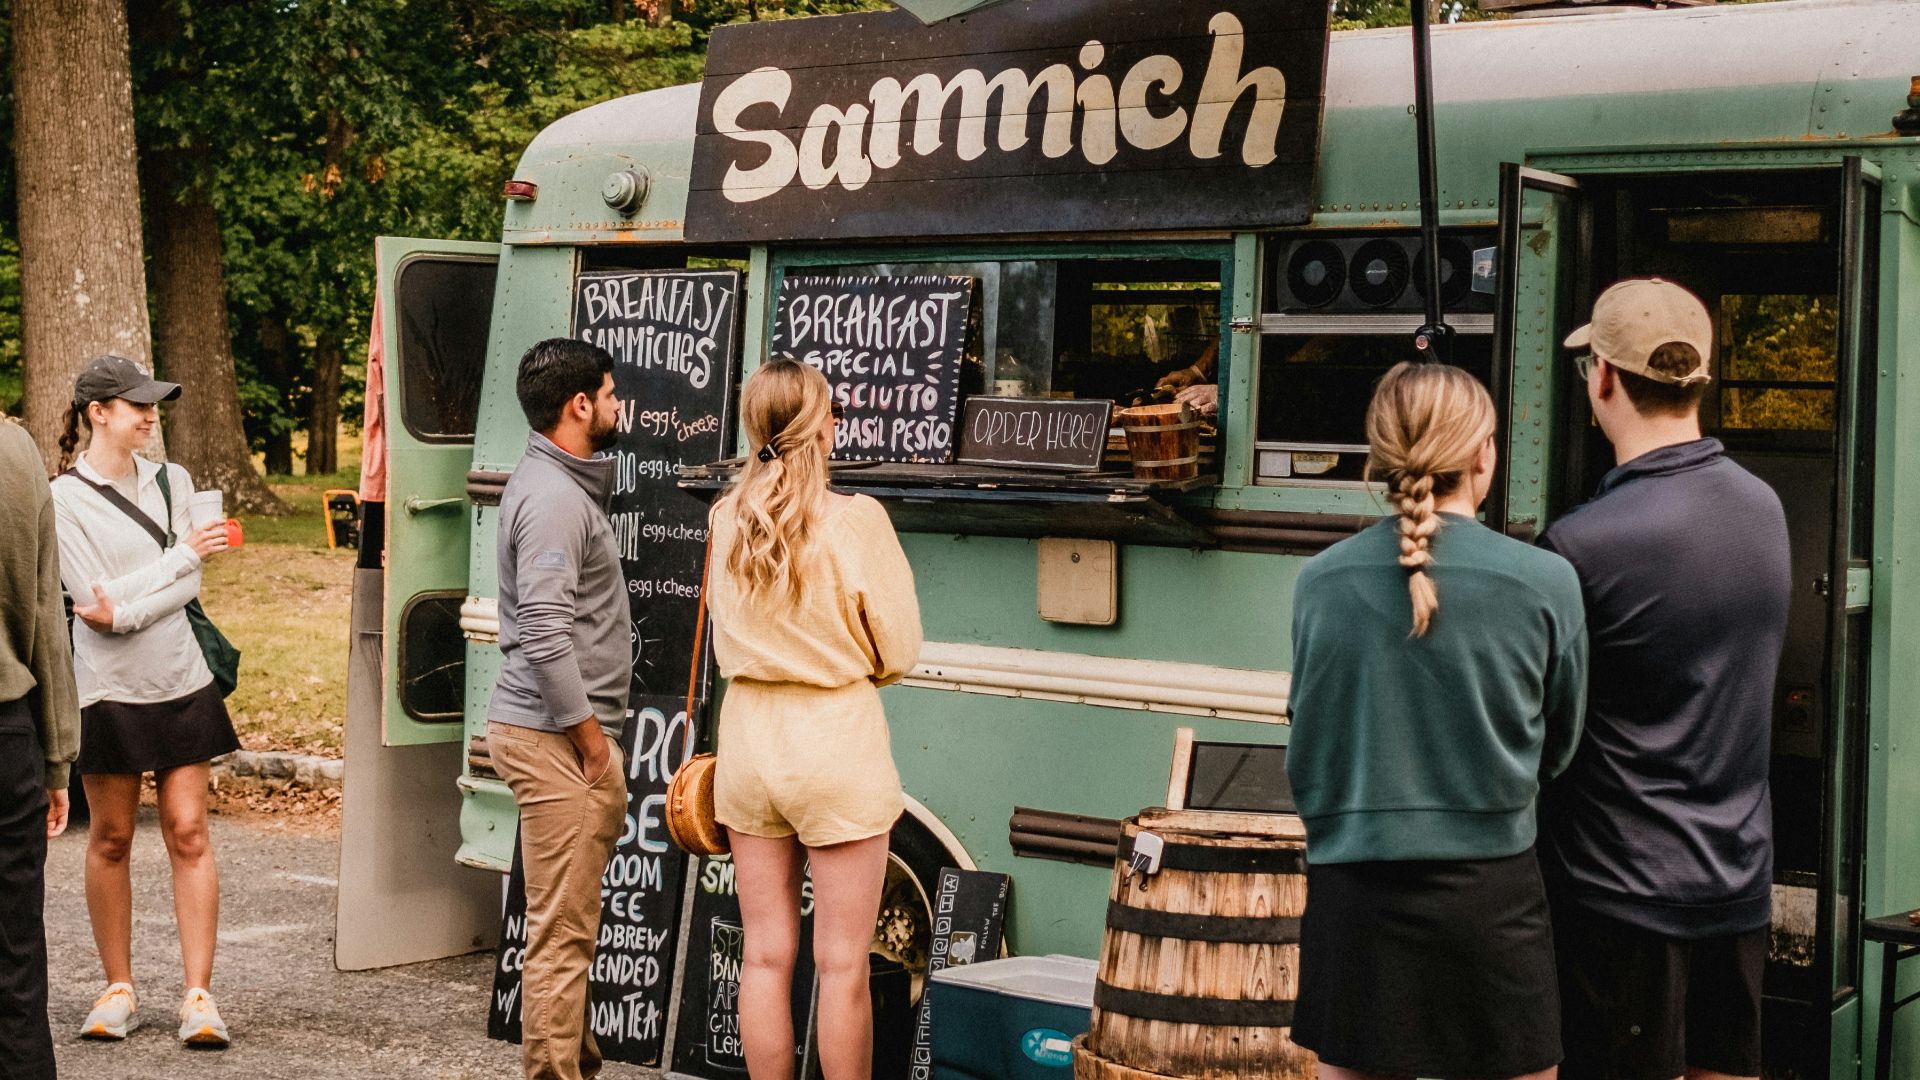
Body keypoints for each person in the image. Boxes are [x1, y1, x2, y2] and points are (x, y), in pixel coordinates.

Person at [1285, 360, 1587, 1080]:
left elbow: (1310, 733)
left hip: (1353, 892)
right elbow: (1560, 744)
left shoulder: (1319, 582)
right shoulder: (1546, 581)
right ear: (1483, 454)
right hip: (1491, 893)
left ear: (1381, 457)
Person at [1537, 278, 1791, 1080]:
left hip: (1616, 892)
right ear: (1700, 380)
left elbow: (1544, 725)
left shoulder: (1579, 545)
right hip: (1738, 878)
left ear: (1603, 378)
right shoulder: (1765, 510)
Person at [707, 358, 922, 1080]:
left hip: (748, 743)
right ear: (823, 426)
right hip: (835, 741)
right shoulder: (856, 520)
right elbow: (899, 649)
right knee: (842, 966)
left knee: (765, 956)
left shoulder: (726, 518)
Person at [50, 355, 237, 1049]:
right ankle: (118, 988)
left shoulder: (173, 481)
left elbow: (181, 589)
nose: (152, 416)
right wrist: (181, 555)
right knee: (111, 837)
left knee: (189, 831)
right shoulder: (62, 498)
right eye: (138, 405)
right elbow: (87, 598)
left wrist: (128, 606)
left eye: (154, 405)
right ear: (98, 413)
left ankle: (198, 996)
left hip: (181, 677)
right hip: (105, 686)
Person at [487, 337, 629, 1080]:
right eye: (609, 395)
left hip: (553, 735)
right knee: (561, 933)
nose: (617, 407)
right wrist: (592, 744)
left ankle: (577, 1060)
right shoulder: (552, 499)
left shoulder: (556, 485)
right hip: (556, 740)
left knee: (569, 919)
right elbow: (544, 633)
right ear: (579, 405)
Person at [0, 417, 80, 1080]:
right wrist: (57, 756)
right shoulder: (15, 450)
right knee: (15, 952)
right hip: (8, 731)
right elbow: (45, 616)